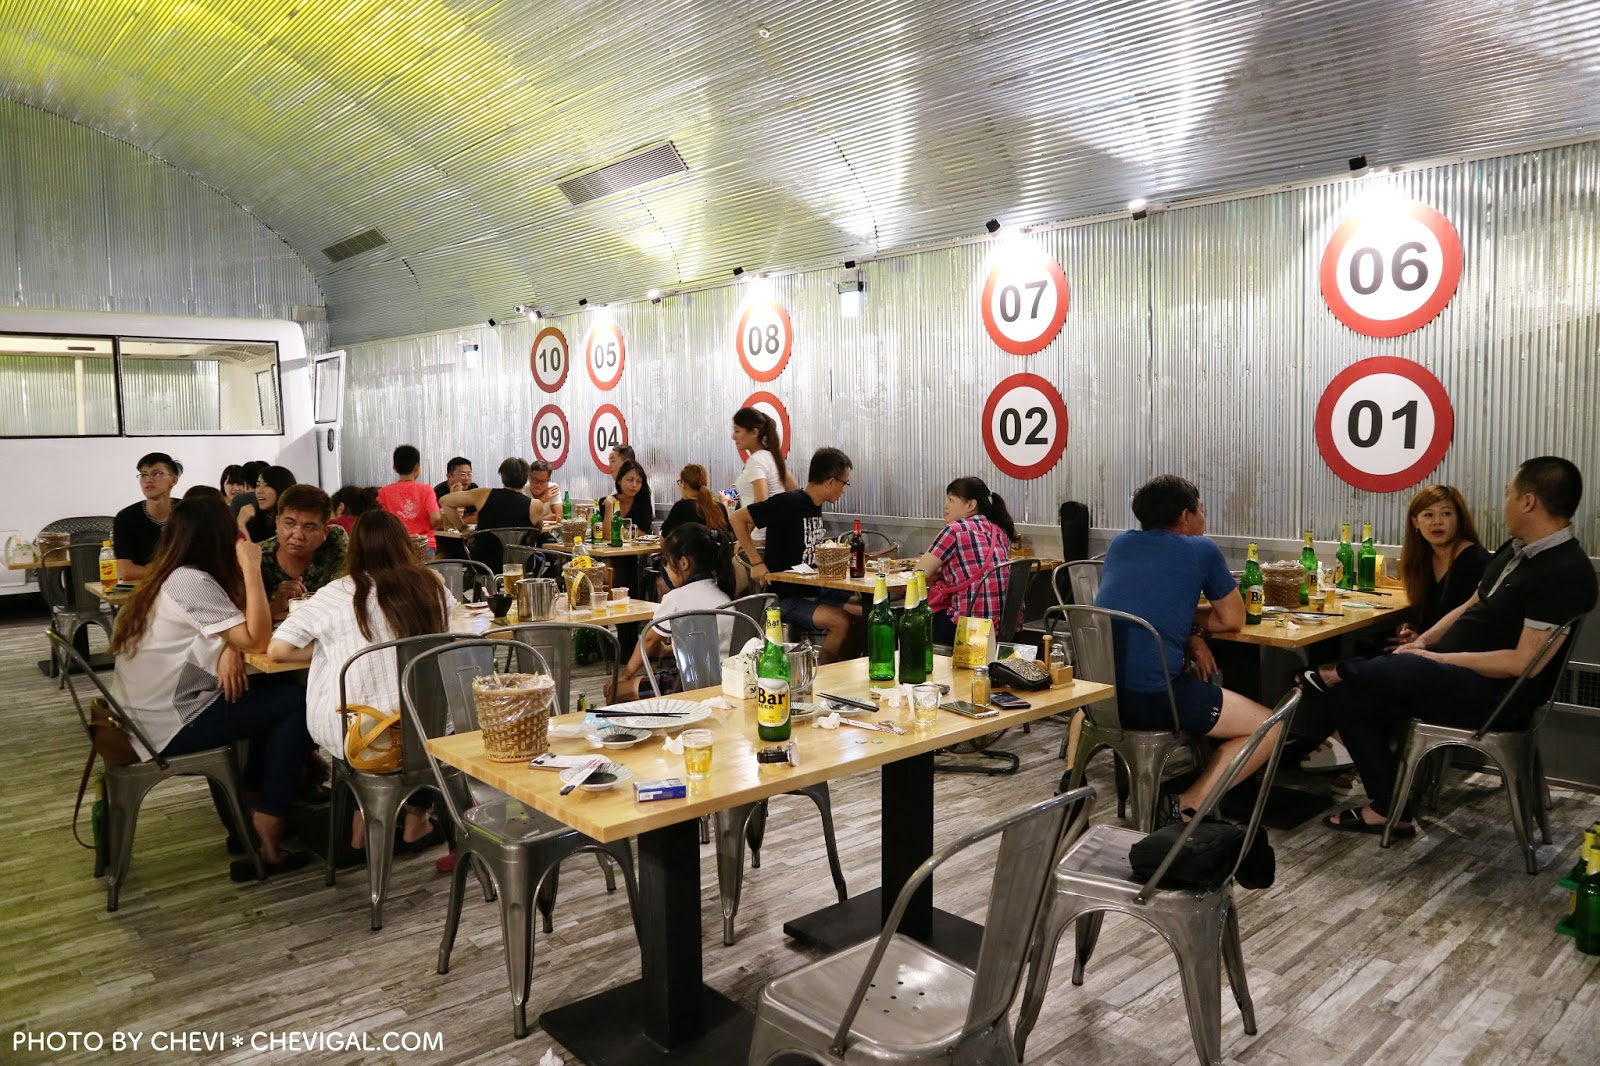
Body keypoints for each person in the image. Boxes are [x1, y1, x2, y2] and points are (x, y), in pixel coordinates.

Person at [1305, 457, 1597, 837]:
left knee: (1392, 667)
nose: (1504, 503)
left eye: (1508, 494)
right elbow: (1472, 603)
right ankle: (1389, 808)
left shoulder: (1564, 571)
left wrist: (1435, 658)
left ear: (1528, 502)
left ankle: (1330, 672)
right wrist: (1424, 641)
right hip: (1460, 677)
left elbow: (1522, 663)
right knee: (1351, 697)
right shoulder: (1518, 550)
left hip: (1499, 697)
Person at [108, 496, 309, 878]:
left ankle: (250, 809)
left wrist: (241, 635)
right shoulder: (191, 580)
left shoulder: (171, 575)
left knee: (274, 695)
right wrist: (251, 568)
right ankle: (269, 819)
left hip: (142, 715)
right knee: (295, 702)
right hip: (166, 725)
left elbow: (231, 627)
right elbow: (256, 639)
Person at [1095, 475, 1279, 827]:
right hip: (1154, 698)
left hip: (1102, 696)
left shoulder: (1120, 544)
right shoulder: (1200, 549)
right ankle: (1185, 805)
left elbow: (1144, 606)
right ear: (1185, 515)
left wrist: (1191, 632)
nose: (1203, 517)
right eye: (1201, 509)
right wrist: (1193, 627)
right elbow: (1233, 619)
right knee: (1271, 725)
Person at [267, 510, 455, 853]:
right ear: (405, 545)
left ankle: (362, 828)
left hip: (358, 735)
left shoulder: (335, 593)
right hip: (427, 729)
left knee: (365, 715)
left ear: (354, 550)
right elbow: (449, 629)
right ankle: (416, 822)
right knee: (424, 723)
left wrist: (330, 648)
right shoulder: (431, 585)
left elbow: (277, 650)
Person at [1301, 484, 1491, 776]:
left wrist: (1423, 642)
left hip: (1461, 659)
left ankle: (1356, 749)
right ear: (1415, 521)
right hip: (1432, 648)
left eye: (1446, 514)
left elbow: (1469, 622)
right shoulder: (1422, 559)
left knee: (1364, 674)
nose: (1437, 522)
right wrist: (1411, 630)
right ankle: (1360, 750)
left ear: (1459, 519)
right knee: (1376, 645)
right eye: (1428, 515)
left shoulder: (1473, 558)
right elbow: (1431, 614)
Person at [731, 447, 858, 663]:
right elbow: (737, 519)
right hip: (785, 598)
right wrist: (756, 561)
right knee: (841, 621)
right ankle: (824, 675)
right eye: (845, 484)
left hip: (814, 591)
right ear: (831, 482)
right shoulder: (787, 503)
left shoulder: (815, 506)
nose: (844, 490)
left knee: (865, 613)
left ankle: (845, 668)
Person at [605, 523, 736, 702]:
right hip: (728, 679)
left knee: (614, 691)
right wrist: (668, 650)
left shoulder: (676, 599)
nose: (665, 568)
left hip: (690, 682)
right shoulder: (724, 594)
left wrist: (625, 675)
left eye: (667, 561)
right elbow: (714, 643)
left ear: (683, 563)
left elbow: (649, 640)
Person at [917, 477, 1018, 644]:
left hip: (968, 628)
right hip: (1002, 627)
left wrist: (944, 574)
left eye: (951, 500)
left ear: (970, 505)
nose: (946, 506)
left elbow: (919, 574)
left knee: (912, 623)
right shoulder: (998, 530)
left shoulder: (954, 530)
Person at [256, 484, 349, 623]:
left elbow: (344, 602)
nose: (298, 535)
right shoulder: (257, 557)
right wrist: (275, 607)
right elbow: (243, 622)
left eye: (309, 527)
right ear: (277, 523)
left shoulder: (334, 540)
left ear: (325, 532)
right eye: (290, 524)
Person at [441, 457, 548, 572]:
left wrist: (463, 529)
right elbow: (536, 532)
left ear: (502, 476)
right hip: (521, 565)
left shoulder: (483, 494)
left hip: (484, 564)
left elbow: (444, 502)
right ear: (527, 477)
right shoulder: (535, 505)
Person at [113, 452, 182, 580]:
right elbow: (126, 572)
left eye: (157, 474)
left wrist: (149, 570)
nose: (148, 480)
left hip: (186, 586)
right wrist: (172, 571)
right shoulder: (126, 518)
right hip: (143, 588)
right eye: (144, 475)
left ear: (173, 480)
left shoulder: (188, 511)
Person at [377, 444, 443, 556]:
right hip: (424, 545)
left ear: (394, 468)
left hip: (396, 545)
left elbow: (380, 522)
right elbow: (436, 518)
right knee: (423, 568)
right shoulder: (426, 490)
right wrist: (431, 528)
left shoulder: (383, 492)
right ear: (417, 467)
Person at [661, 464, 731, 537]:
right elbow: (731, 536)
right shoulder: (720, 507)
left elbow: (664, 539)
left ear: (683, 484)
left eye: (680, 482)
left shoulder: (681, 507)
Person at [238, 465, 296, 543]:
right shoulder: (251, 517)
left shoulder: (293, 519)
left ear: (281, 488)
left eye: (266, 485)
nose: (259, 491)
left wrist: (241, 524)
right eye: (258, 485)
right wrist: (241, 523)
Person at [602, 460, 655, 535]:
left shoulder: (643, 502)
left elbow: (642, 532)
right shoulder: (606, 502)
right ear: (619, 480)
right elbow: (606, 535)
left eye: (639, 481)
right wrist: (609, 506)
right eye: (630, 480)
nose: (634, 485)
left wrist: (617, 534)